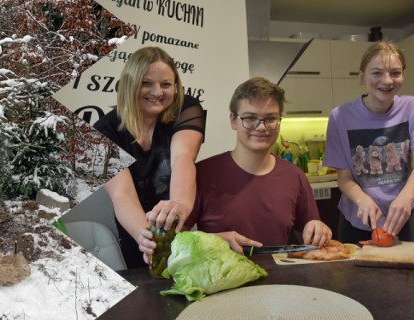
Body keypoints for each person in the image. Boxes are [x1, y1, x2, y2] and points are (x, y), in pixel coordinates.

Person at [182, 77, 331, 254]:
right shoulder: (203, 173)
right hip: (222, 280)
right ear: (233, 120)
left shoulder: (294, 176)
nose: (261, 127)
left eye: (270, 119)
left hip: (281, 280)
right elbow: (175, 239)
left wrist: (318, 229)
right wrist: (214, 241)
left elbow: (311, 229)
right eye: (250, 118)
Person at [94, 46, 205, 268]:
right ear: (130, 84)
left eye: (166, 84)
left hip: (180, 228)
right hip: (135, 235)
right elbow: (122, 194)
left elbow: (182, 157)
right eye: (146, 83)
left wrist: (180, 204)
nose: (158, 92)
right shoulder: (104, 130)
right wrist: (148, 239)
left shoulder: (187, 108)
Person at [323, 41, 414, 243]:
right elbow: (344, 177)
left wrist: (408, 196)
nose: (387, 80)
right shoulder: (341, 117)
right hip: (357, 220)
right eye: (377, 73)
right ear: (362, 77)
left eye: (396, 73)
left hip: (403, 216)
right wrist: (362, 199)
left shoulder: (411, 108)